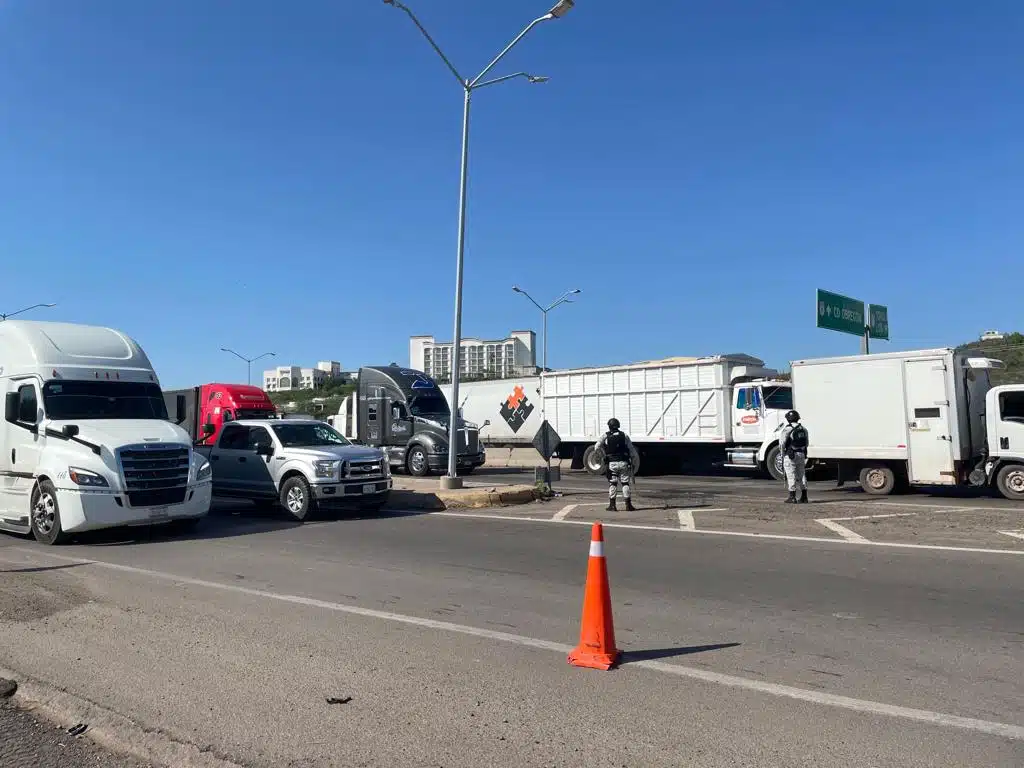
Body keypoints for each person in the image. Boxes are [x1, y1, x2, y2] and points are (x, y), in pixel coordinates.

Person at [594, 418, 640, 512]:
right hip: (623, 462)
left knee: (613, 483)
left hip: (612, 463)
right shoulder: (624, 435)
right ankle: (628, 505)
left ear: (609, 426)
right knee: (625, 483)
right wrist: (634, 462)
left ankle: (612, 505)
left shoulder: (606, 436)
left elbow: (596, 447)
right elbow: (632, 451)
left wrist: (603, 456)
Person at [779, 409, 809, 503]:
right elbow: (806, 443)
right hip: (801, 453)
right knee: (802, 475)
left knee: (791, 475)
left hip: (790, 455)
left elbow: (782, 443)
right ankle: (804, 497)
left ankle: (792, 497)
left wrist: (782, 454)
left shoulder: (788, 428)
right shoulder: (803, 429)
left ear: (788, 419)